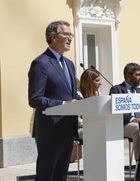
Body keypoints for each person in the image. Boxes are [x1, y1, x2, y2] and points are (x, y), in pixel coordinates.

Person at [28, 20, 82, 181]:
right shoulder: (41, 63)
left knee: (61, 176)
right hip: (50, 130)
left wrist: (86, 102)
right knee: (47, 176)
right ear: (53, 37)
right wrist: (63, 104)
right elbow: (35, 99)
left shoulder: (69, 64)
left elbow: (72, 94)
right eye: (66, 34)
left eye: (71, 34)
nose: (70, 38)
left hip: (67, 130)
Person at [109, 62, 140, 178]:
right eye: (138, 74)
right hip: (125, 124)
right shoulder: (117, 89)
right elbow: (115, 111)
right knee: (137, 129)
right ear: (128, 76)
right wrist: (132, 118)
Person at [78, 68, 102, 138]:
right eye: (97, 81)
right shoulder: (78, 95)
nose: (100, 84)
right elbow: (79, 121)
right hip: (81, 128)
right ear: (88, 82)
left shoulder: (97, 93)